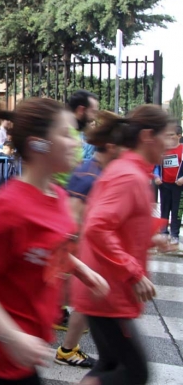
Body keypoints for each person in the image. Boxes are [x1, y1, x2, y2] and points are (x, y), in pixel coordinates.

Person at [0, 97, 109, 385]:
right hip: (0, 354)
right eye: (66, 134)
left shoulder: (57, 195)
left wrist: (85, 271)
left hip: (27, 347)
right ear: (38, 144)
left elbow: (46, 244)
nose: (76, 143)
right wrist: (11, 336)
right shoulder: (10, 206)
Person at [72, 106, 172, 385]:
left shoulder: (131, 171)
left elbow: (117, 224)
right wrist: (134, 272)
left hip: (105, 288)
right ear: (148, 136)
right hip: (108, 291)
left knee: (111, 365)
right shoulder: (129, 174)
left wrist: (150, 239)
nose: (170, 143)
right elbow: (98, 227)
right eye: (168, 136)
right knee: (134, 372)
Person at [53, 118, 125, 368]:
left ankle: (68, 348)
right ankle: (66, 349)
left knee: (84, 299)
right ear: (113, 147)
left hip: (84, 250)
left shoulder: (93, 170)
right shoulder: (90, 176)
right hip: (79, 249)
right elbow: (72, 221)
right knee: (83, 298)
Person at [154, 124, 183, 247]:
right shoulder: (162, 149)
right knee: (164, 209)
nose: (169, 137)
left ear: (179, 136)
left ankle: (175, 235)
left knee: (177, 211)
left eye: (171, 135)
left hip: (179, 185)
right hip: (164, 184)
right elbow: (155, 166)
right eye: (167, 135)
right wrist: (156, 176)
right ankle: (163, 232)